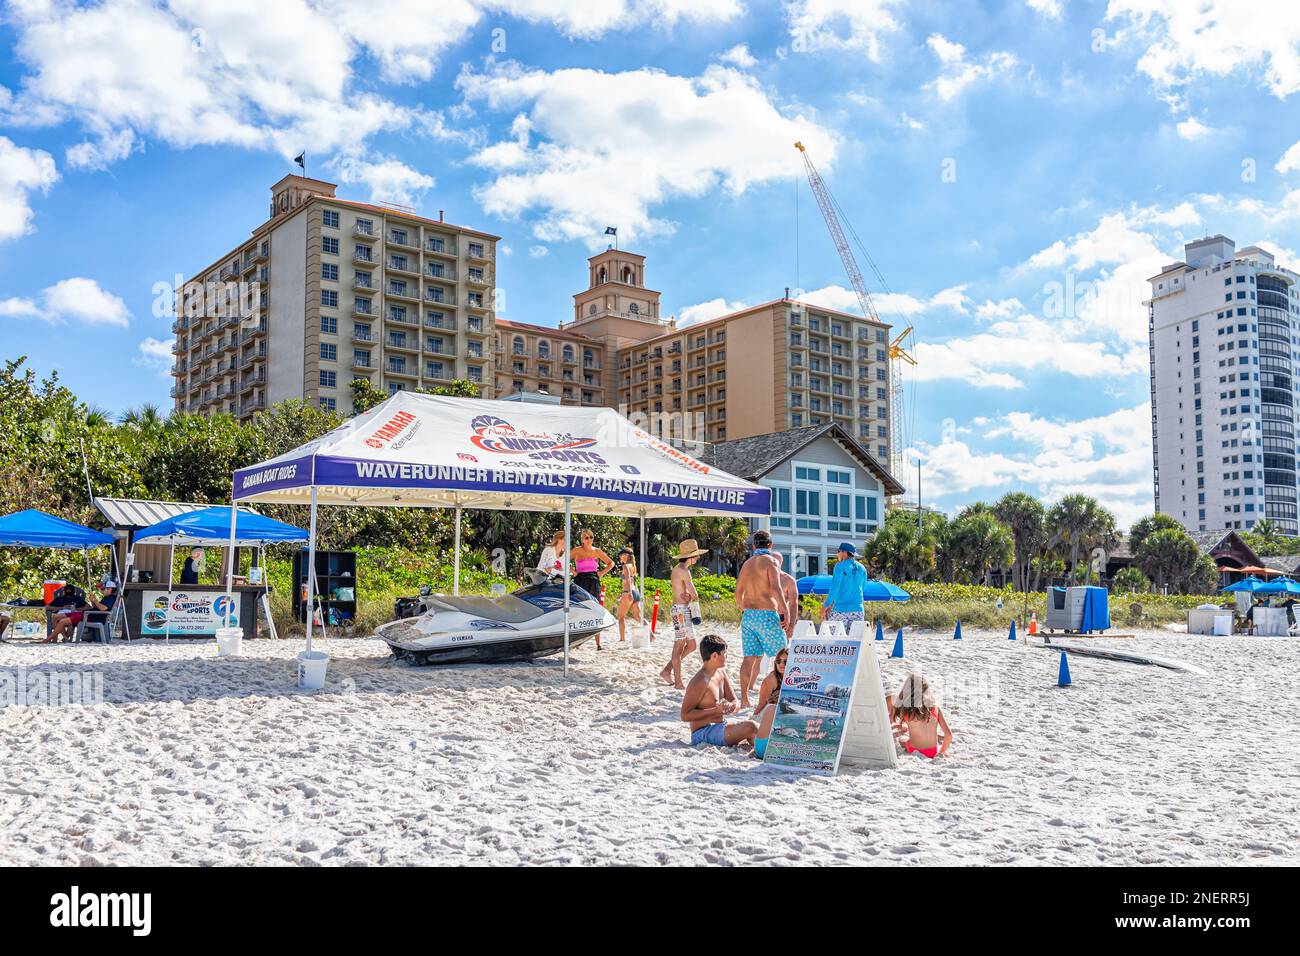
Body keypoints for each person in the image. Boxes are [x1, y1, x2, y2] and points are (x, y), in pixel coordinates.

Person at [735, 529, 790, 709]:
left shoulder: (747, 564)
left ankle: (744, 699)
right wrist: (785, 611)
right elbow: (775, 588)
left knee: (749, 658)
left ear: (753, 545)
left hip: (749, 615)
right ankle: (782, 694)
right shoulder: (771, 561)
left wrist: (746, 610)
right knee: (783, 655)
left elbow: (738, 594)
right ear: (770, 545)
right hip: (767, 615)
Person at [680, 634, 757, 749]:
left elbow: (734, 700)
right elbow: (684, 715)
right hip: (702, 733)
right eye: (725, 653)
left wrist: (732, 705)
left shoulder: (721, 673)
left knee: (758, 730)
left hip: (721, 726)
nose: (727, 656)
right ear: (715, 655)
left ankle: (765, 753)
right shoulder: (699, 681)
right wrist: (715, 710)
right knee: (751, 727)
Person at [659, 539, 707, 687]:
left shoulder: (678, 568)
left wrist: (687, 595)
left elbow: (687, 593)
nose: (698, 558)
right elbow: (694, 593)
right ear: (690, 556)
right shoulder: (684, 570)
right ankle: (678, 681)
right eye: (696, 555)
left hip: (681, 609)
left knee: (691, 645)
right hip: (680, 611)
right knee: (679, 647)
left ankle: (667, 670)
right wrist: (689, 595)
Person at [570, 529, 614, 649]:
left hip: (594, 581)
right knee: (580, 610)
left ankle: (598, 644)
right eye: (586, 537)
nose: (589, 539)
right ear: (582, 540)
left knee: (596, 610)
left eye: (591, 537)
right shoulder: (577, 550)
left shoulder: (597, 551)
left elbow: (611, 563)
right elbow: (562, 560)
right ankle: (578, 642)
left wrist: (601, 573)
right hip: (580, 580)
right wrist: (573, 572)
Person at [892, 672, 952, 759]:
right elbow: (949, 735)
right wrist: (942, 751)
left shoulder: (906, 711)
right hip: (933, 752)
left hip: (914, 750)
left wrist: (899, 726)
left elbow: (914, 723)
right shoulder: (936, 708)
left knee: (901, 741)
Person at [43, 577, 119, 644]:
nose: (102, 591)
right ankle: (55, 639)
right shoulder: (106, 597)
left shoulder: (111, 598)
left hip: (89, 617)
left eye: (103, 589)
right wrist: (92, 601)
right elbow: (96, 607)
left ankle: (47, 640)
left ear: (110, 589)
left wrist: (95, 601)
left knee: (62, 621)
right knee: (56, 616)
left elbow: (103, 609)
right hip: (86, 614)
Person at [822, 541, 867, 625]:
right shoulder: (862, 568)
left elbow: (835, 588)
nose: (837, 554)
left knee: (836, 637)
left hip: (841, 610)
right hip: (858, 610)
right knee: (855, 638)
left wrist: (826, 606)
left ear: (844, 552)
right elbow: (863, 588)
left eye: (838, 551)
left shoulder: (840, 566)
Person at [615, 547, 645, 642]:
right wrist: (635, 595)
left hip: (628, 592)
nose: (620, 556)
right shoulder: (633, 566)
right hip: (635, 592)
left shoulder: (625, 566)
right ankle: (651, 635)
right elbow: (633, 582)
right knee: (638, 617)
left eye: (621, 554)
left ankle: (622, 639)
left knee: (621, 617)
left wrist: (628, 593)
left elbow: (627, 580)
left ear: (627, 555)